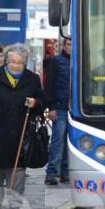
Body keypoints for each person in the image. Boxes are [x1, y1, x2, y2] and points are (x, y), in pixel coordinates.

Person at [0, 44, 45, 209]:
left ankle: (15, 202)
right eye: (12, 61)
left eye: (19, 62)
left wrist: (35, 103)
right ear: (6, 61)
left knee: (17, 165)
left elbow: (41, 99)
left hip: (20, 127)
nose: (15, 65)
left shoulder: (32, 78)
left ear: (25, 63)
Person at [44, 37, 71, 185]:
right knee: (57, 141)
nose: (71, 47)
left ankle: (65, 173)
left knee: (69, 142)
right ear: (63, 46)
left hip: (74, 109)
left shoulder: (79, 60)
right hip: (59, 107)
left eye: (74, 44)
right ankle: (51, 173)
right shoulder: (56, 61)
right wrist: (51, 107)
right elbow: (49, 84)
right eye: (68, 44)